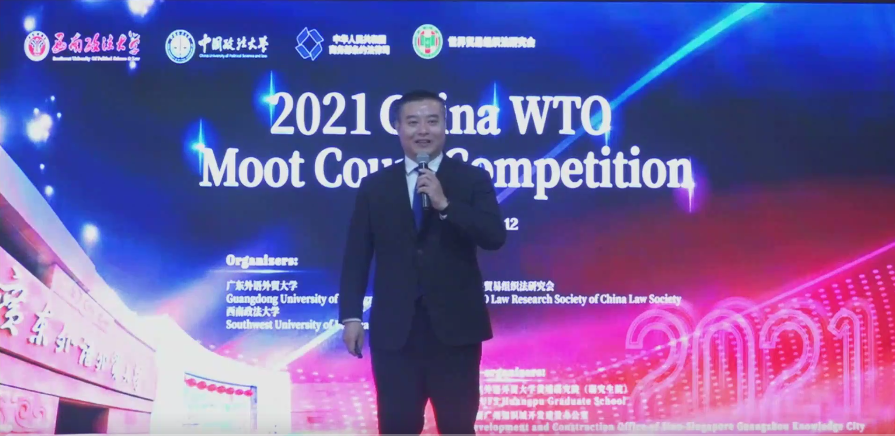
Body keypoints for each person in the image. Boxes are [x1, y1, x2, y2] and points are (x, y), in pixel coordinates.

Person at [339, 89, 506, 434]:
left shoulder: (472, 178)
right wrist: (351, 316)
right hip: (395, 333)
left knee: (458, 427)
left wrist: (446, 205)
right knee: (396, 426)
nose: (423, 130)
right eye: (413, 122)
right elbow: (357, 254)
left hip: (456, 333)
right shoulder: (375, 186)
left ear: (445, 126)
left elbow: (494, 236)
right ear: (398, 127)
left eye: (432, 121)